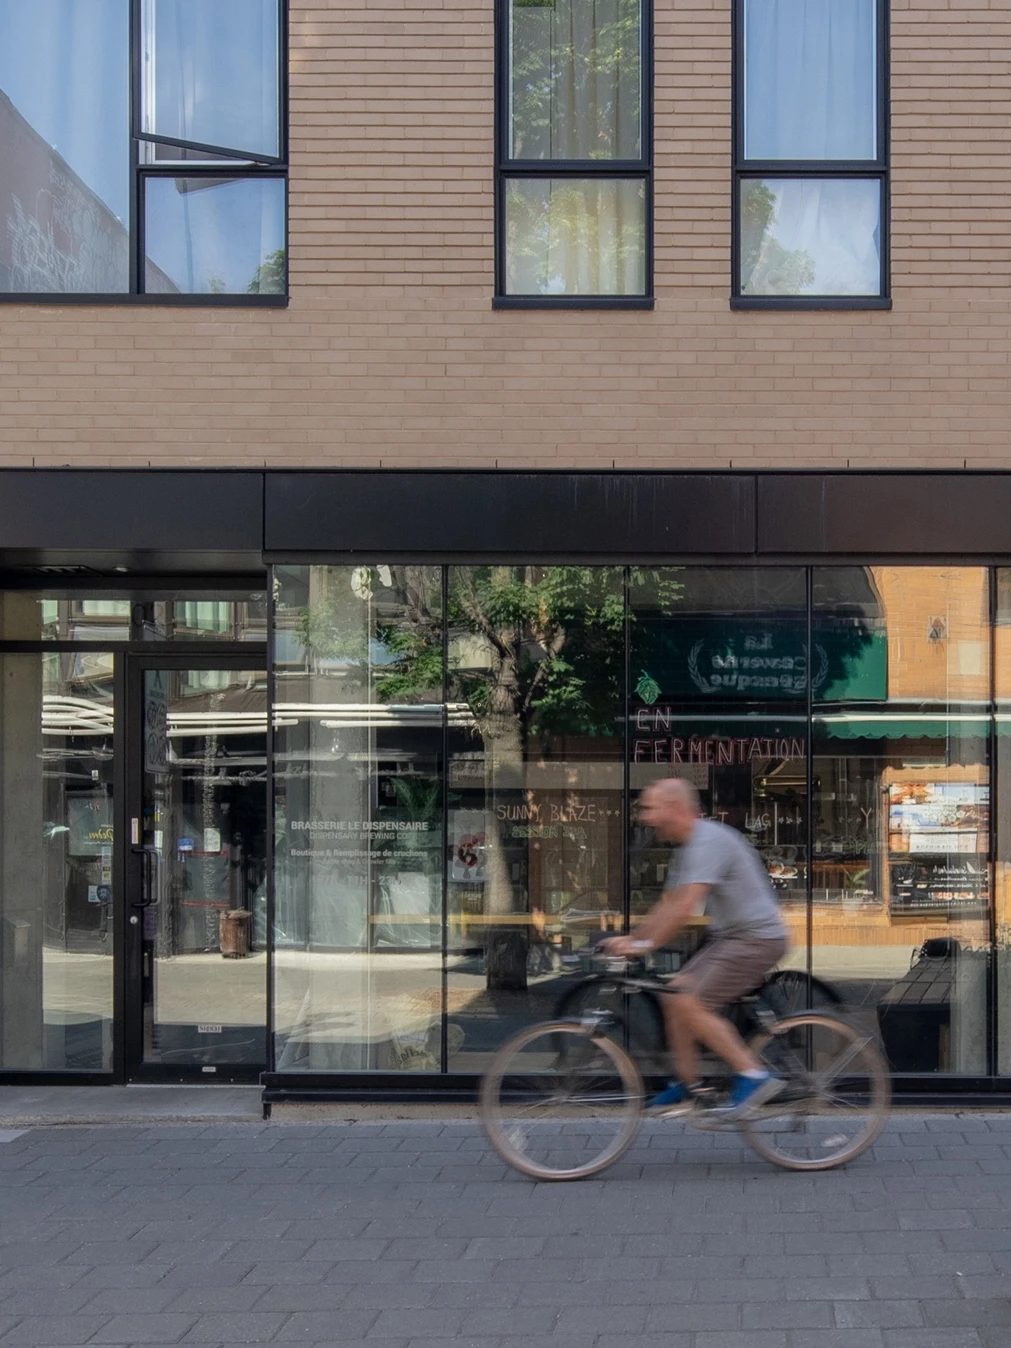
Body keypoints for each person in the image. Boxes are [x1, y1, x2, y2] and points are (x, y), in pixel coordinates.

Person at [603, 777, 789, 1118]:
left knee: (690, 1001)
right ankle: (690, 1086)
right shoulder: (688, 849)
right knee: (673, 995)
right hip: (731, 938)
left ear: (674, 807)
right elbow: (668, 904)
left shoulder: (708, 841)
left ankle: (754, 1075)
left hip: (757, 939)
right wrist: (634, 939)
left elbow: (686, 906)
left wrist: (642, 944)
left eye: (649, 808)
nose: (645, 818)